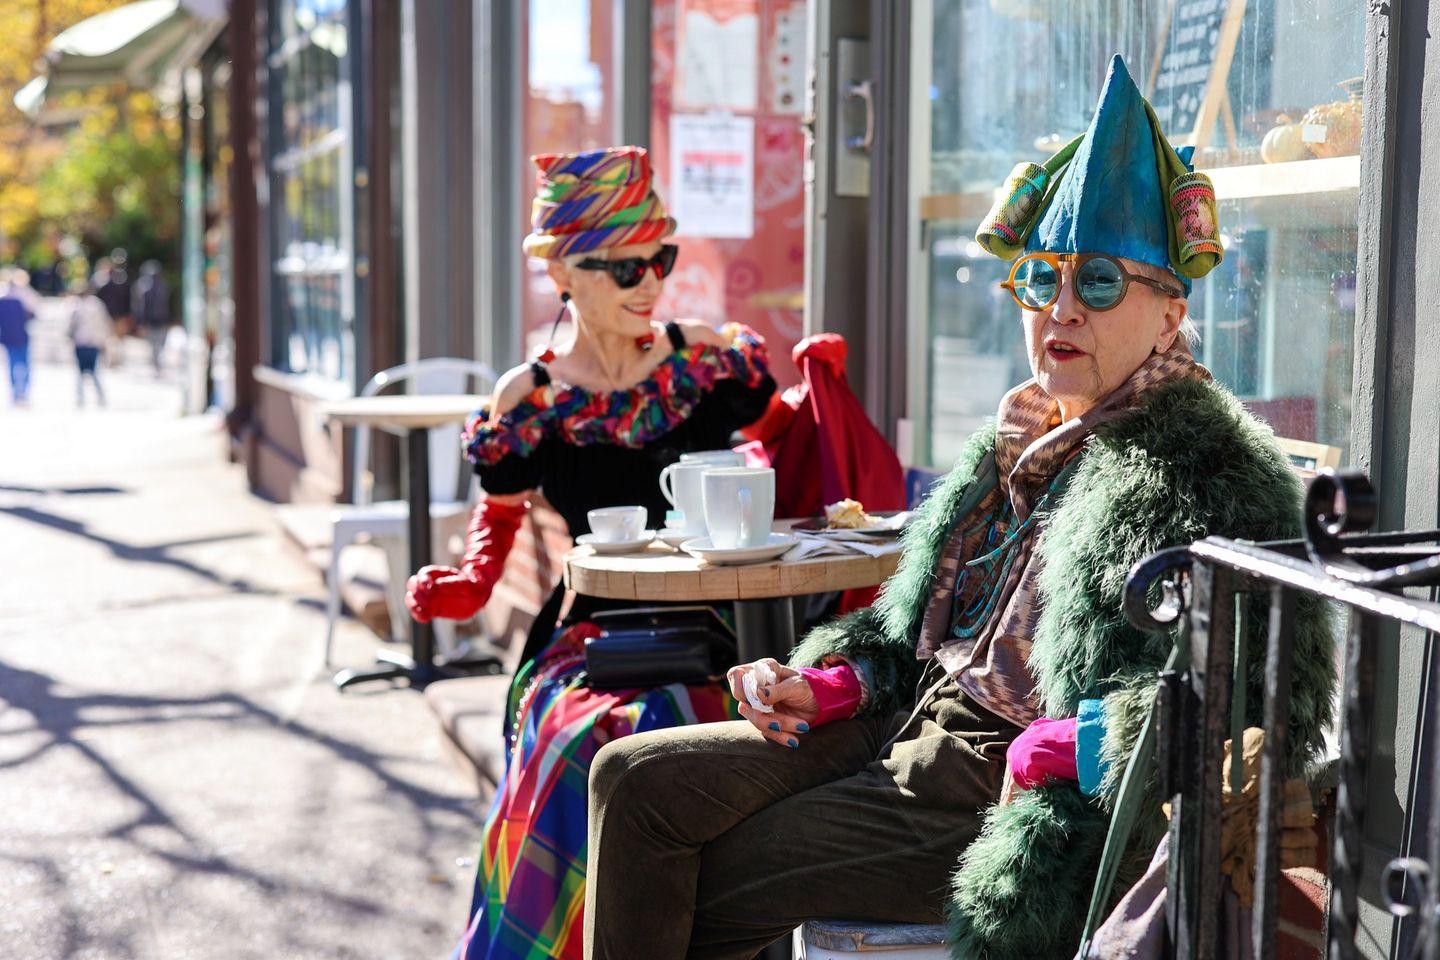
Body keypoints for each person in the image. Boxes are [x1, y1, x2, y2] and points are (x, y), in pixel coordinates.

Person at [584, 56, 1338, 960]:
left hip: (1004, 789)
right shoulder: (1016, 435)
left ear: (1170, 315)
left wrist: (1083, 741)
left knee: (710, 871)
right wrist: (835, 680)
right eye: (1039, 281)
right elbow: (923, 630)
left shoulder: (1211, 468)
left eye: (1098, 284)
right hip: (908, 716)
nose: (1061, 309)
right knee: (629, 775)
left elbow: (1268, 702)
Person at [403, 146, 777, 960]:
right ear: (564, 274)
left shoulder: (704, 360)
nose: (650, 283)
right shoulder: (528, 397)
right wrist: (465, 589)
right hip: (590, 636)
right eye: (624, 267)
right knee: (585, 743)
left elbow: (779, 444)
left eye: (660, 259)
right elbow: (496, 527)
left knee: (697, 731)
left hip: (716, 626)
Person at [68, 280, 111, 407]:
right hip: (89, 342)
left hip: (85, 342)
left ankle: (85, 398)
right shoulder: (91, 305)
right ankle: (94, 397)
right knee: (91, 372)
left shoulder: (78, 305)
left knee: (85, 373)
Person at [0, 269, 35, 405]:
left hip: (9, 337)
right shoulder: (23, 298)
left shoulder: (3, 299)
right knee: (23, 365)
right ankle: (22, 393)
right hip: (21, 336)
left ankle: (16, 393)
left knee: (13, 365)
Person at [132, 260, 171, 375]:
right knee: (156, 343)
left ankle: (156, 362)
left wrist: (140, 320)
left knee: (155, 343)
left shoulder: (145, 285)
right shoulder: (158, 285)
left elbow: (139, 306)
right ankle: (156, 363)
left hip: (154, 319)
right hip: (157, 319)